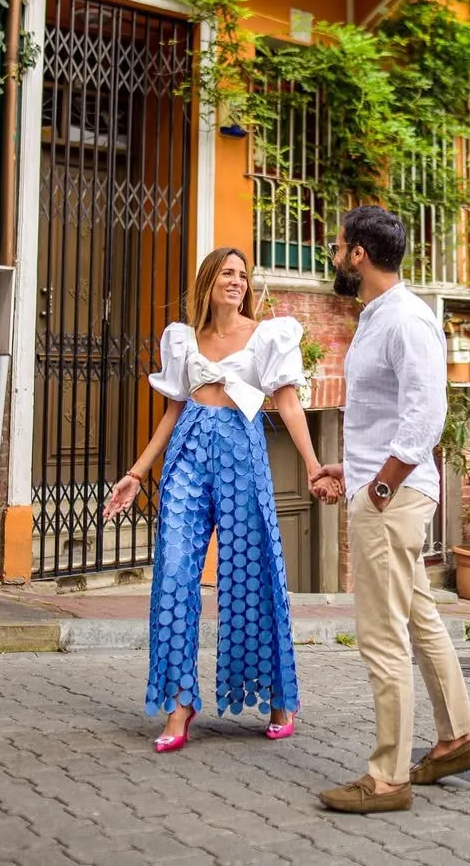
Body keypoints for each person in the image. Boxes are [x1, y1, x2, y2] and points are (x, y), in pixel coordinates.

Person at [103, 246, 340, 753]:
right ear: (208, 281)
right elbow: (172, 412)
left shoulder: (267, 335)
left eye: (243, 275)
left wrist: (314, 464)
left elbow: (290, 406)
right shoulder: (183, 339)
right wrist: (137, 473)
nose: (236, 281)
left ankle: (280, 696)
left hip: (241, 453)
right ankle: (179, 703)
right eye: (227, 273)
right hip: (187, 453)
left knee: (253, 574)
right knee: (172, 573)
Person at [313, 206, 470, 813]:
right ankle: (455, 738)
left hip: (392, 498)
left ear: (359, 253)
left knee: (382, 636)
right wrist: (351, 470)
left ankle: (387, 779)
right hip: (385, 486)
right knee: (418, 618)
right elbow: (386, 417)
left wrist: (379, 487)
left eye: (338, 247)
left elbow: (424, 416)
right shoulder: (380, 316)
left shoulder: (407, 319)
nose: (333, 257)